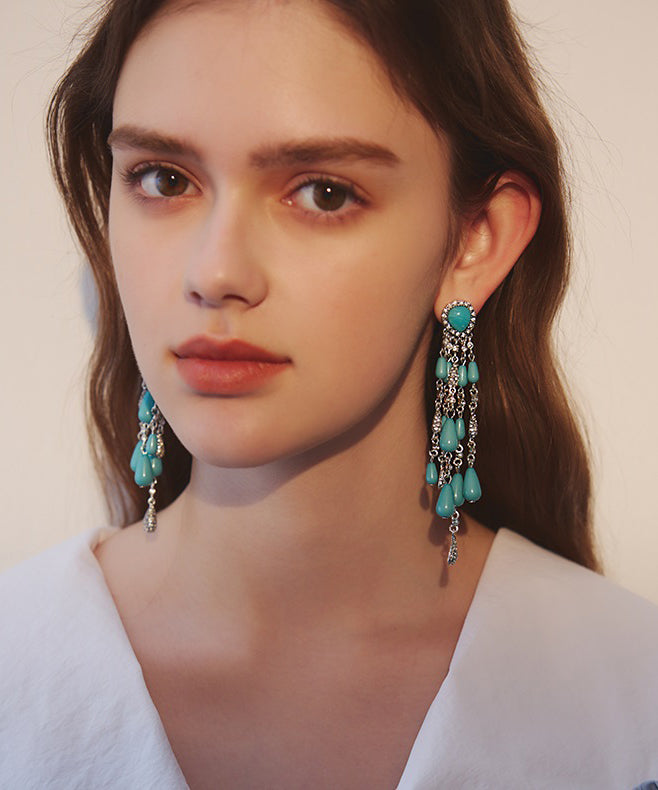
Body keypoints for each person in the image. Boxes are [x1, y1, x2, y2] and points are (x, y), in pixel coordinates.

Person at [1, 0, 657, 787]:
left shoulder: (632, 705)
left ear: (475, 240)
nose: (215, 273)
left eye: (323, 193)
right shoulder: (19, 665)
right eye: (164, 179)